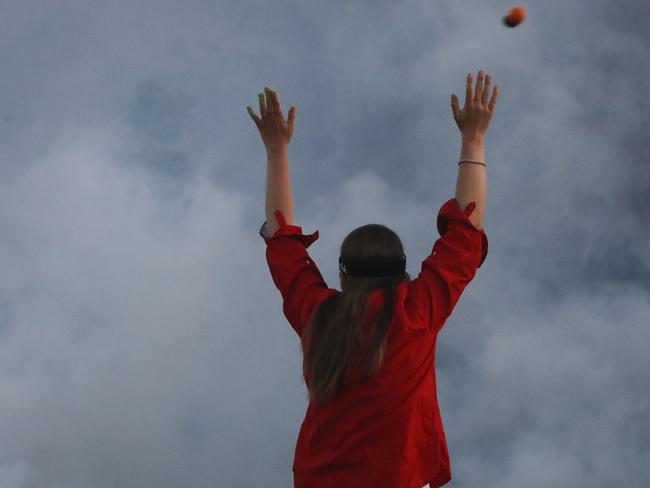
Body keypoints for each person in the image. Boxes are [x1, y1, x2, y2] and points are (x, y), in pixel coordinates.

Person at [248, 69, 498, 487]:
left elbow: (281, 239)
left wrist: (277, 151)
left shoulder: (318, 316)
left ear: (342, 276)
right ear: (403, 271)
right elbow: (466, 230)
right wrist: (473, 138)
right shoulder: (416, 314)